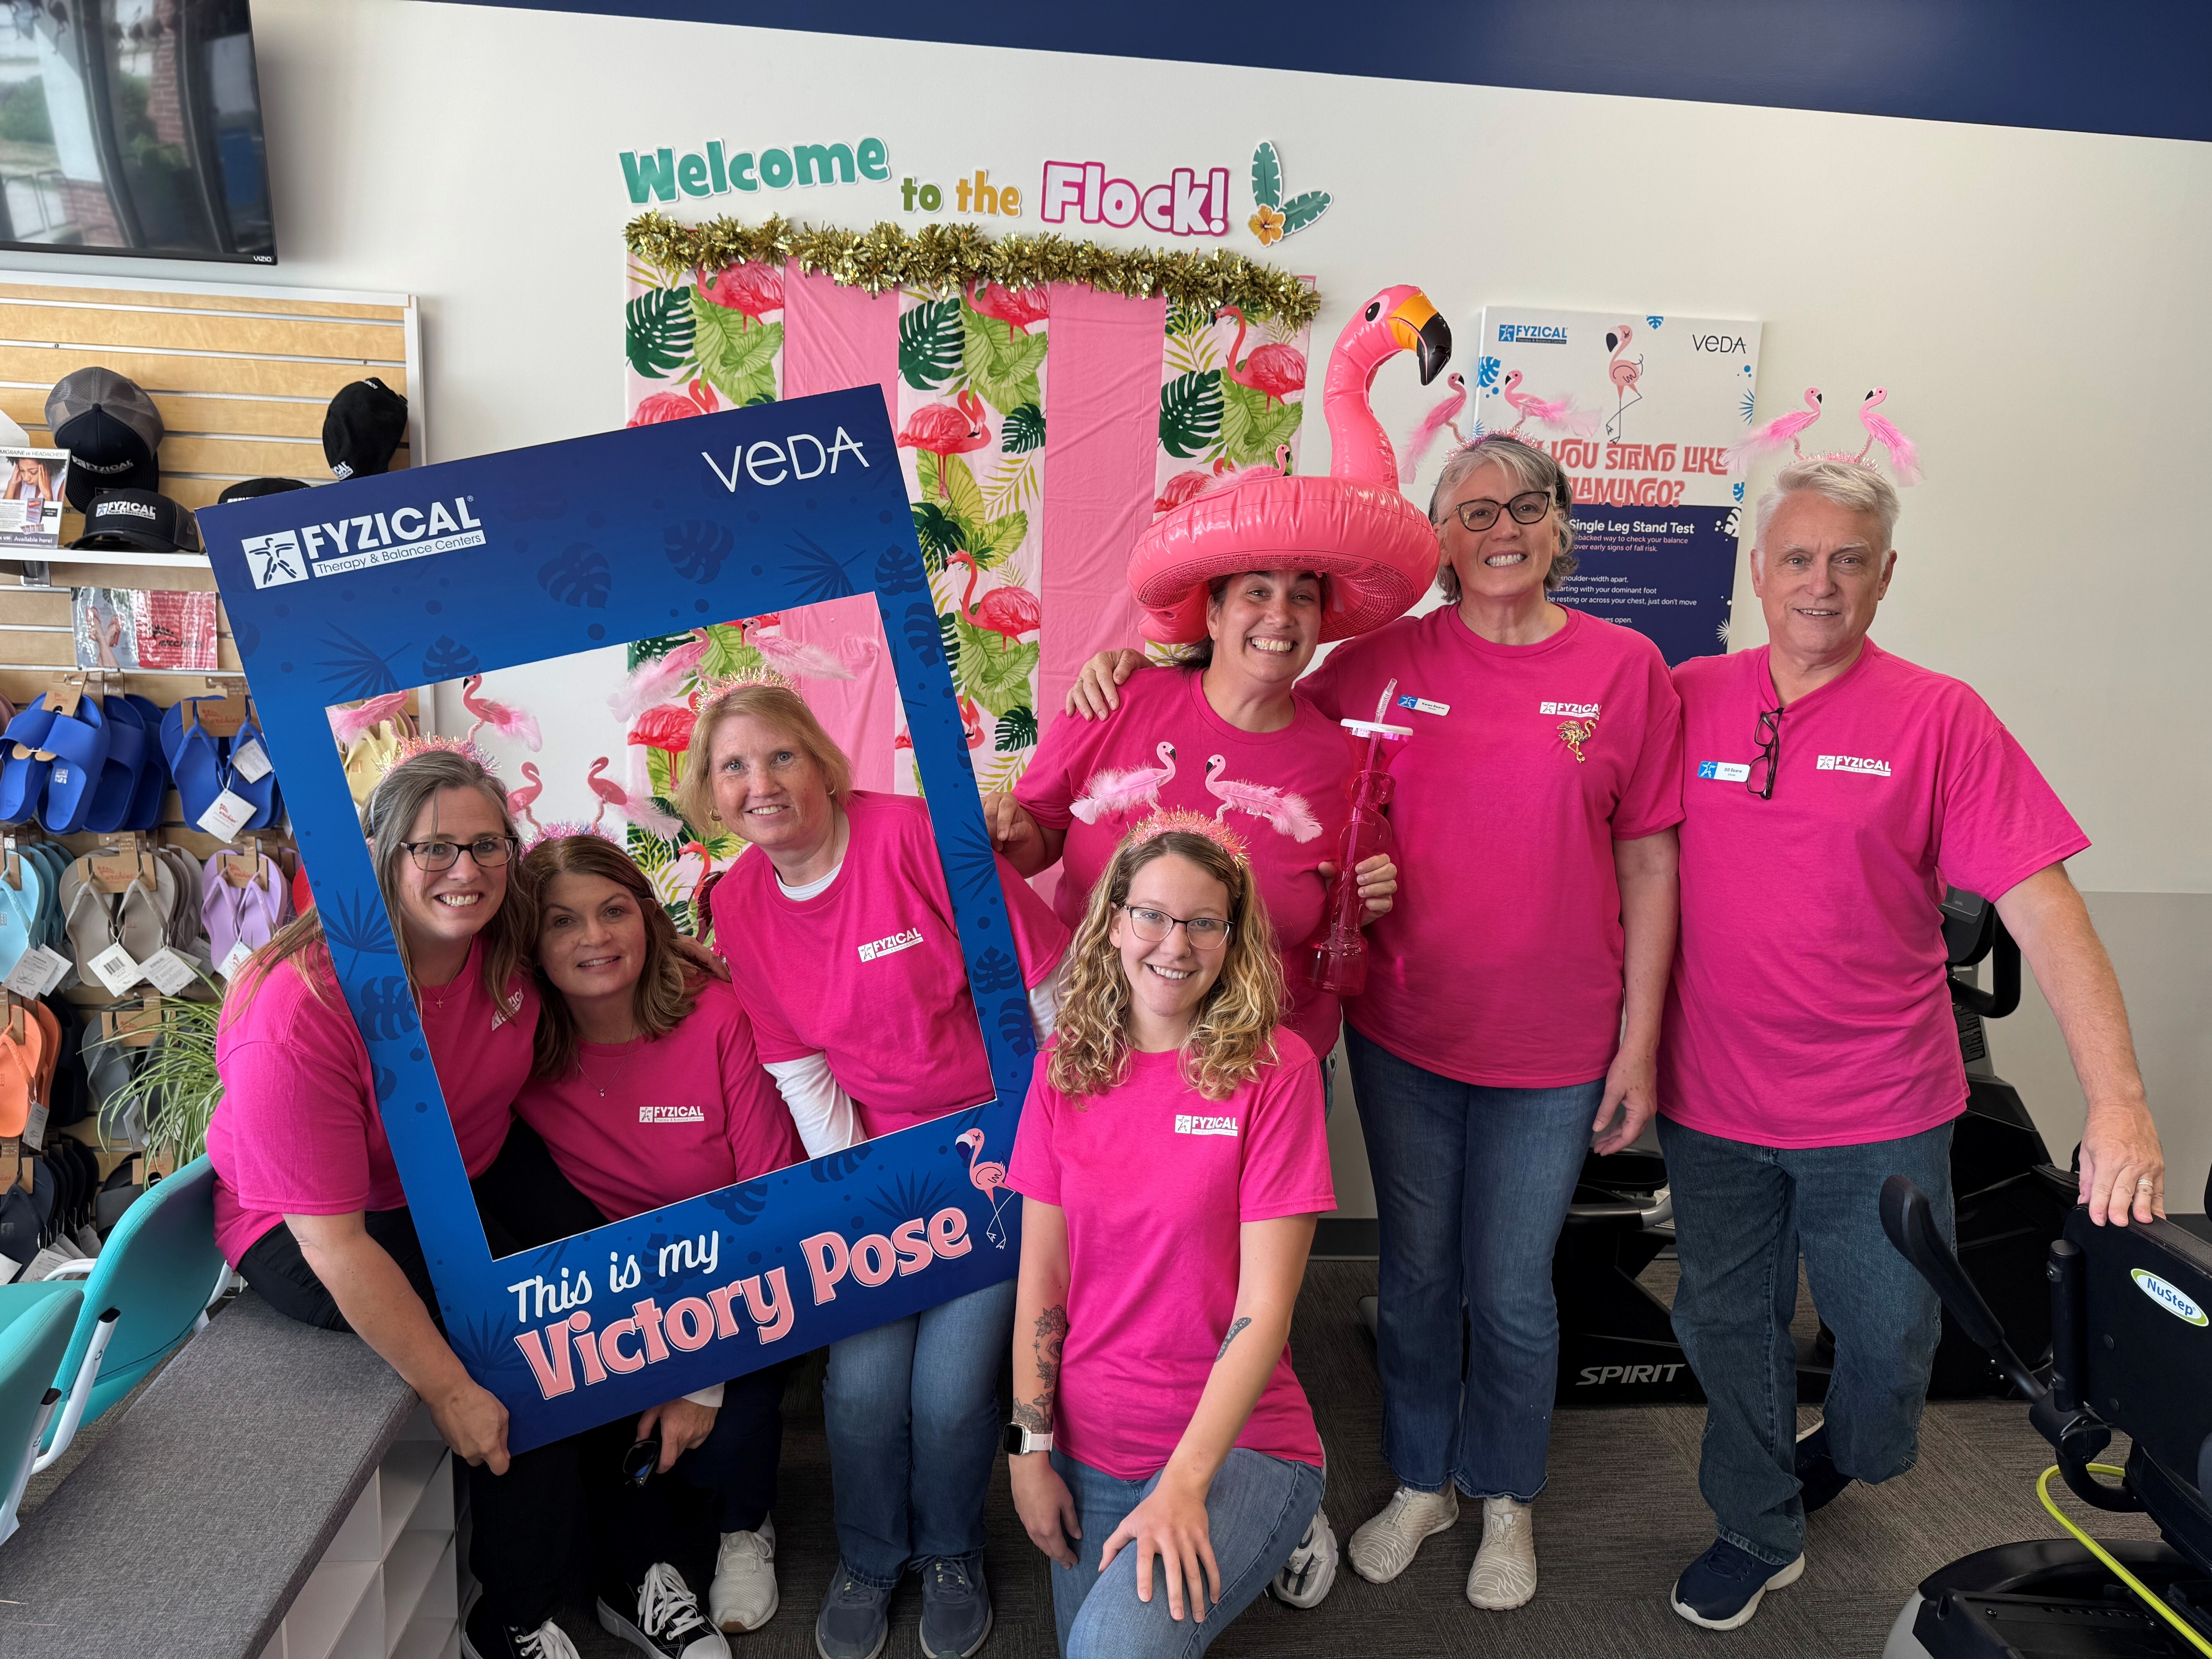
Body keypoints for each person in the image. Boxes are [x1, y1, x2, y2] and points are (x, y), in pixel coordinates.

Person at [1067, 433, 1684, 1610]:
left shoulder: (1626, 667)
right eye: (1472, 510)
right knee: (1412, 1272)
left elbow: (1650, 859)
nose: (1501, 528)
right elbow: (1241, 703)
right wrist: (1124, 664)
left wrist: (1640, 1042)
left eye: (1526, 506)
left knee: (1509, 1284)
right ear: (1440, 539)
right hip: (1405, 1030)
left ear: (1561, 524)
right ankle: (1420, 1478)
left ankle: (1505, 1492)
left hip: (1556, 1044)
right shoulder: (1377, 665)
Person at [1659, 458, 2167, 1630]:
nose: (1820, 585)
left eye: (1849, 561)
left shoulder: (1941, 716)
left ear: (1887, 577)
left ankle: (1850, 1442)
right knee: (1727, 1326)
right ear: (1758, 571)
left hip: (1879, 1106)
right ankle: (1755, 1521)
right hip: (1713, 1102)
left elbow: (2046, 906)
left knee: (1888, 1339)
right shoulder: (1689, 695)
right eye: (1797, 558)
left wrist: (2120, 1099)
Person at [209, 744, 726, 1659]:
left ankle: (634, 1564)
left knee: (623, 1297)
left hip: (465, 1167)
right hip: (329, 1221)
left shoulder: (503, 937)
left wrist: (696, 958)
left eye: (489, 846)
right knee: (522, 1356)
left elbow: (602, 928)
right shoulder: (296, 1005)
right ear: (383, 855)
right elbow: (332, 1244)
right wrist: (449, 1391)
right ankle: (516, 1615)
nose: (467, 871)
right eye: (434, 849)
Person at [678, 681, 1069, 1659]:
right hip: (878, 1167)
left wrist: (1057, 1152)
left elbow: (1053, 992)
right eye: (734, 767)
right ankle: (868, 1556)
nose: (760, 782)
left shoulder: (916, 839)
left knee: (945, 1392)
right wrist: (861, 1204)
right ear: (712, 799)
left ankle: (949, 1550)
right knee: (857, 1388)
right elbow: (801, 1072)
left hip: (1002, 1146)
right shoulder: (736, 903)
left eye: (780, 757)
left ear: (822, 763)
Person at [1004, 814, 1333, 1657]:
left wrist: (1188, 1483)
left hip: (1235, 1442)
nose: (1174, 945)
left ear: (1233, 938)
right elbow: (1043, 1278)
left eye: (1202, 923)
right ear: (1113, 921)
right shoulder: (1066, 1065)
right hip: (1092, 1438)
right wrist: (1028, 1450)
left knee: (1111, 1650)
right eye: (1151, 914)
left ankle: (1283, 1519)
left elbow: (1266, 1311)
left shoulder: (1277, 1072)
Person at [514, 832, 812, 1643]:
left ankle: (745, 1527)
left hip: (751, 1272)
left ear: (648, 918)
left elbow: (775, 1205)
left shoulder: (714, 1017)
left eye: (615, 911)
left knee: (730, 1423)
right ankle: (635, 1573)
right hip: (624, 1286)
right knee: (614, 1426)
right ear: (531, 946)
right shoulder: (522, 1054)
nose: (595, 938)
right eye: (563, 922)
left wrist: (700, 1380)